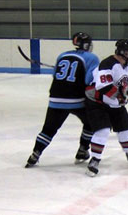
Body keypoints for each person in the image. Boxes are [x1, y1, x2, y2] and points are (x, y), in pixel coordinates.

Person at [25, 32, 100, 168]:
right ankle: (83, 149)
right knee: (91, 122)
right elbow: (89, 80)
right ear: (87, 44)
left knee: (48, 130)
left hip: (55, 98)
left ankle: (35, 154)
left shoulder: (62, 55)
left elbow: (56, 76)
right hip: (76, 99)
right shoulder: (92, 58)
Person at [85, 39, 128, 177]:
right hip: (98, 103)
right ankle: (95, 160)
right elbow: (103, 87)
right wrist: (121, 97)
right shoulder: (108, 64)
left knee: (125, 129)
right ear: (124, 53)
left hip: (114, 103)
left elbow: (125, 83)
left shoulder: (127, 67)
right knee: (103, 131)